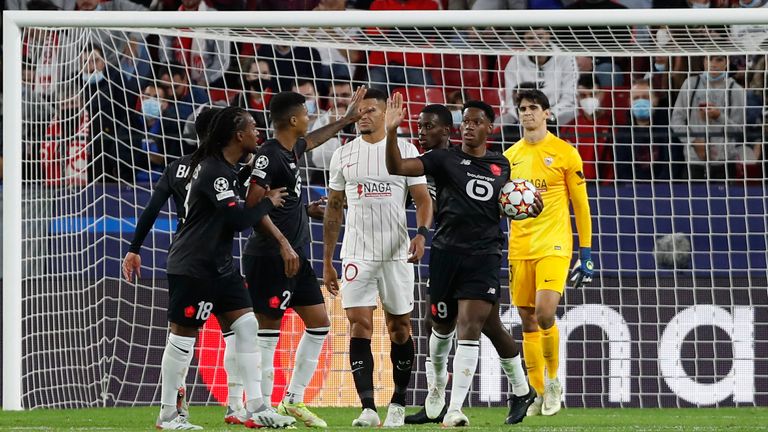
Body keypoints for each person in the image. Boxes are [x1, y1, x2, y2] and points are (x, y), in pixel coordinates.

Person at [384, 96, 539, 427]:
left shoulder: (502, 165)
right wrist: (391, 132)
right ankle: (441, 398)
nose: (469, 126)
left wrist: (528, 209)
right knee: (441, 329)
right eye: (465, 121)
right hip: (446, 253)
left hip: (484, 255)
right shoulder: (444, 159)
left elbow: (504, 207)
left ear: (489, 128)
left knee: (470, 326)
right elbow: (396, 167)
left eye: (476, 121)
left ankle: (454, 408)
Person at [152, 106, 295, 429]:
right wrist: (267, 202)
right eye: (252, 127)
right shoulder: (213, 171)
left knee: (246, 327)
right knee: (183, 337)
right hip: (194, 265)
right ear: (238, 135)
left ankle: (256, 406)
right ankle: (168, 414)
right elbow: (238, 221)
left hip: (222, 267)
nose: (258, 132)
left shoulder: (228, 170)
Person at [242, 87, 371, 428]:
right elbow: (253, 205)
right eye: (305, 112)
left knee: (319, 324)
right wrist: (283, 243)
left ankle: (292, 400)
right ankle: (261, 407)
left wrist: (347, 119)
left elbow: (312, 140)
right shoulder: (268, 155)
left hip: (296, 257)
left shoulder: (290, 150)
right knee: (267, 334)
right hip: (272, 256)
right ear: (293, 119)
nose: (310, 116)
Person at [322, 88, 433, 427]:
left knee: (400, 328)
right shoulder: (343, 155)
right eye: (360, 110)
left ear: (387, 113)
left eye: (372, 109)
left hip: (396, 253)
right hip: (357, 253)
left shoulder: (406, 150)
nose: (364, 115)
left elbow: (424, 200)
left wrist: (421, 233)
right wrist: (327, 259)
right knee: (360, 325)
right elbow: (334, 208)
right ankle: (368, 407)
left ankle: (398, 402)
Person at [503, 89, 594, 418]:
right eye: (522, 108)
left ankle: (554, 381)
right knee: (526, 318)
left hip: (554, 244)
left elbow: (581, 206)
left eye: (533, 108)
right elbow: (503, 205)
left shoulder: (565, 153)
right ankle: (537, 391)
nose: (527, 113)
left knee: (544, 313)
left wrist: (586, 252)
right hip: (519, 247)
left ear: (547, 114)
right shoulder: (509, 156)